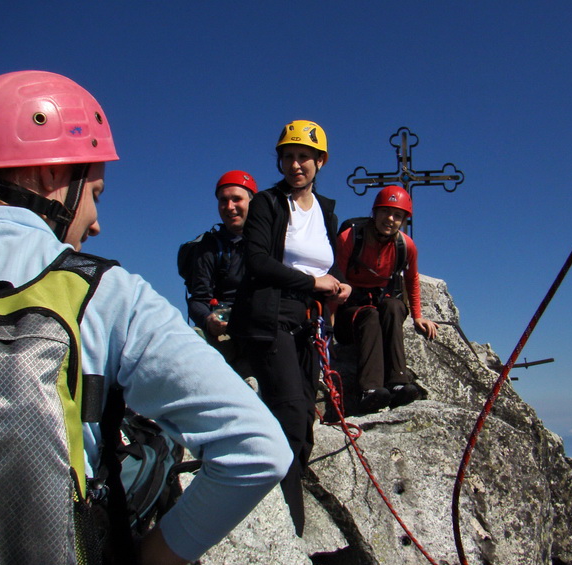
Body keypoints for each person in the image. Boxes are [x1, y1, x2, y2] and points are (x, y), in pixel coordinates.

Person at [0, 71, 291, 565]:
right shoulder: (106, 293)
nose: (96, 221)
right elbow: (259, 449)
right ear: (53, 173)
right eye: (95, 192)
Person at [228, 119, 350, 536]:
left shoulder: (326, 212)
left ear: (321, 161)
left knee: (306, 424)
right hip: (271, 317)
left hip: (309, 322)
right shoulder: (267, 203)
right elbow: (258, 262)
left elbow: (327, 265)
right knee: (292, 414)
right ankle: (288, 523)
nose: (296, 164)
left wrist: (336, 286)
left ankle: (284, 506)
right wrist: (312, 283)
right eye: (288, 156)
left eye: (304, 156)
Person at [335, 185, 438, 414]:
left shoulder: (405, 246)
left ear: (403, 220)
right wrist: (329, 324)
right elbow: (336, 278)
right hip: (349, 311)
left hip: (380, 303)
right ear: (375, 212)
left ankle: (398, 382)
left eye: (398, 215)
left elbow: (411, 279)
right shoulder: (351, 237)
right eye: (385, 212)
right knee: (369, 315)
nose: (390, 219)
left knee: (393, 306)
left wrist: (418, 316)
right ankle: (369, 391)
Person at [180, 170, 256, 374]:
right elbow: (198, 299)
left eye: (237, 199)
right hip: (224, 328)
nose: (229, 207)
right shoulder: (210, 246)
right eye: (223, 200)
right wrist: (208, 320)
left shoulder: (269, 242)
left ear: (252, 202)